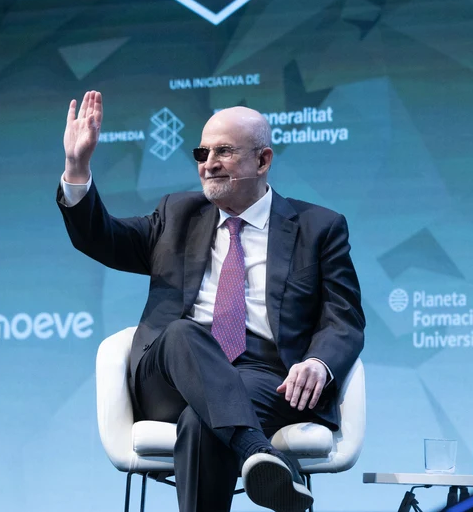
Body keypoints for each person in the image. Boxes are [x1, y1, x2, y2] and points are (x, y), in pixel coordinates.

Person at [57, 92, 365, 512]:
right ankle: (259, 451)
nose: (208, 163)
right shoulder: (177, 213)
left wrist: (318, 362)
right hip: (168, 375)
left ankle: (252, 450)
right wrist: (77, 167)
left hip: (263, 375)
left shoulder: (318, 227)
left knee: (201, 422)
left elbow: (344, 319)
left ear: (263, 160)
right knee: (182, 333)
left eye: (224, 152)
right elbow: (100, 238)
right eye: (202, 153)